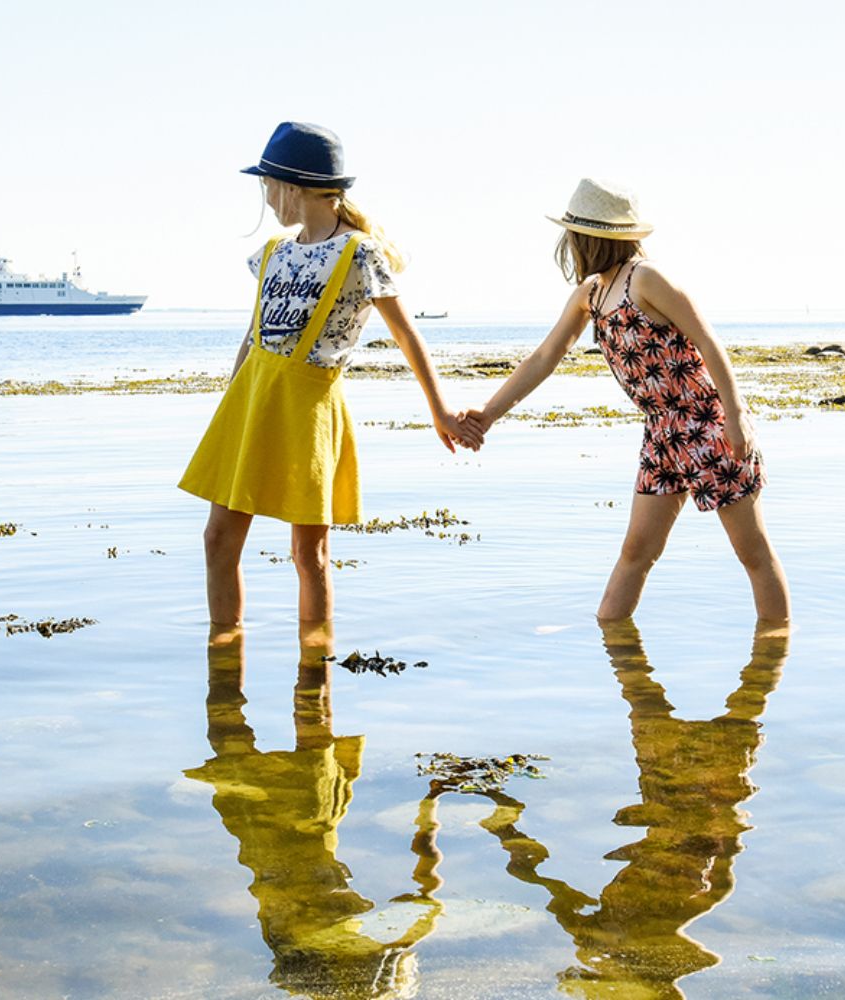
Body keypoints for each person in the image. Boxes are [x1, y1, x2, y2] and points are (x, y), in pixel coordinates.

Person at [180, 122, 478, 627]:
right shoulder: (274, 252)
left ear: (291, 187)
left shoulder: (360, 252)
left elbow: (407, 336)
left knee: (308, 554)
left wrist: (441, 412)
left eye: (267, 184)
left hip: (310, 406)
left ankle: (315, 677)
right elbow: (253, 337)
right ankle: (225, 660)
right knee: (217, 539)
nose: (266, 195)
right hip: (252, 399)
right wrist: (229, 410)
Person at [461, 179, 789, 622]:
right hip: (661, 434)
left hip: (706, 426)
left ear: (587, 237)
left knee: (753, 553)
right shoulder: (591, 294)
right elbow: (544, 356)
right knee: (637, 551)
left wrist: (737, 416)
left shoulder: (648, 279)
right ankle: (616, 652)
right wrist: (489, 413)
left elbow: (710, 344)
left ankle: (770, 668)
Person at [471, 620, 788, 998]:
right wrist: (508, 831)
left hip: (676, 808)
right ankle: (773, 634)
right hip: (694, 808)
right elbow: (545, 883)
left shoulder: (600, 936)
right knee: (728, 703)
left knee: (667, 699)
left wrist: (509, 829)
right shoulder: (643, 927)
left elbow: (546, 883)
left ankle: (772, 633)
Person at [183, 624, 447, 997]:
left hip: (290, 835)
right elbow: (424, 900)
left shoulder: (298, 949)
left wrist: (430, 816)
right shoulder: (298, 948)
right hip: (294, 834)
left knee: (276, 726)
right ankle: (295, 645)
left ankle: (239, 638)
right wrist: (428, 815)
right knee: (280, 727)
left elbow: (426, 898)